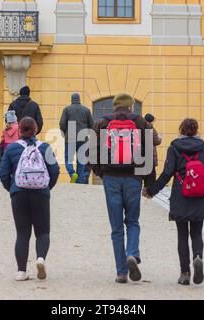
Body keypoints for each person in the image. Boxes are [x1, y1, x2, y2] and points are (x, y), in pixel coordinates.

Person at [144, 118, 204, 286]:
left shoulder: (174, 147)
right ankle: (198, 257)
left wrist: (151, 190)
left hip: (181, 195)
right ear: (196, 130)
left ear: (181, 130)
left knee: (182, 235)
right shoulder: (203, 149)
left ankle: (185, 273)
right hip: (199, 195)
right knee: (197, 233)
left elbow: (167, 173)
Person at [89, 93, 154, 284]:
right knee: (133, 222)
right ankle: (132, 253)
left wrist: (101, 172)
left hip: (111, 178)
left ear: (114, 107)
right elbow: (150, 154)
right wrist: (149, 183)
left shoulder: (102, 123)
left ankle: (121, 272)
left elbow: (91, 152)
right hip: (134, 178)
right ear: (131, 107)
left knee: (116, 227)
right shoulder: (142, 123)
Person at [0, 117, 60, 281]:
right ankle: (40, 258)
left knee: (22, 233)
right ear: (36, 130)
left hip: (19, 193)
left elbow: (3, 174)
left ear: (19, 130)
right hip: (40, 193)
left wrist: (12, 189)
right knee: (43, 232)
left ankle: (21, 272)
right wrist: (46, 187)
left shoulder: (11, 149)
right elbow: (55, 171)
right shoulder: (45, 147)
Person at [59, 93, 94, 184]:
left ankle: (72, 173)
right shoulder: (86, 110)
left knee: (68, 159)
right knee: (81, 160)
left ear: (72, 100)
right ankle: (78, 181)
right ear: (79, 100)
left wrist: (64, 132)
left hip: (70, 137)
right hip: (83, 138)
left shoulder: (67, 109)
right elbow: (92, 124)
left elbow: (62, 123)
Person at [143, 113, 162, 186]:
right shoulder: (151, 128)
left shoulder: (141, 127)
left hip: (142, 154)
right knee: (151, 175)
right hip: (150, 154)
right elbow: (156, 141)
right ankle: (148, 190)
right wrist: (160, 138)